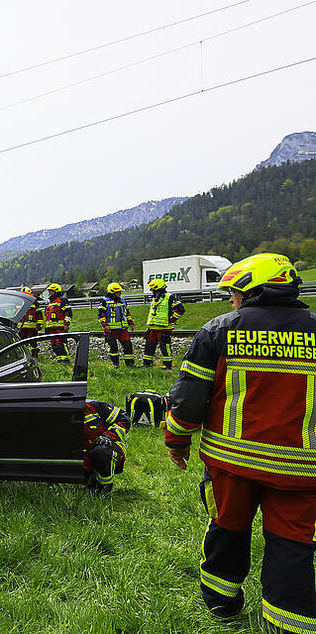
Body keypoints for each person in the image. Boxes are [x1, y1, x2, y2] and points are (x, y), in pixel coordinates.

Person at [164, 253, 316, 629]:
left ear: (250, 290)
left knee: (227, 531)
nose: (231, 300)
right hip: (299, 471)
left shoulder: (221, 330)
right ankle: (289, 622)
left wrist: (176, 441)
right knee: (292, 545)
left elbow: (190, 398)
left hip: (232, 465)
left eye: (234, 292)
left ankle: (221, 605)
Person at [83, 400, 131, 494]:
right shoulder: (53, 412)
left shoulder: (94, 406)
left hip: (110, 446)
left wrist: (108, 436)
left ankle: (104, 488)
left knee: (101, 452)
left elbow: (124, 418)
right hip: (81, 455)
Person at [143, 278, 185, 369]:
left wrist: (172, 319)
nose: (151, 291)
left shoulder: (169, 297)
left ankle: (167, 365)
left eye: (152, 289)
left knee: (164, 347)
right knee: (149, 346)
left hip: (164, 328)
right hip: (153, 328)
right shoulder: (155, 298)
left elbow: (181, 310)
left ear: (158, 288)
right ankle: (146, 364)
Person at [98, 282, 135, 368]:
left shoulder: (122, 300)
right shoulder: (105, 301)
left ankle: (130, 364)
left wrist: (131, 323)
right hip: (111, 329)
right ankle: (115, 364)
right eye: (118, 292)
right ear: (112, 292)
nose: (120, 293)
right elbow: (100, 315)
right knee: (113, 347)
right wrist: (104, 325)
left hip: (123, 329)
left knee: (128, 345)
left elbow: (127, 312)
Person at [44, 283, 73, 362]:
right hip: (51, 329)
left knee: (61, 345)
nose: (49, 293)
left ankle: (66, 361)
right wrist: (47, 328)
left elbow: (68, 313)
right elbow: (47, 316)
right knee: (54, 346)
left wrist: (66, 324)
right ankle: (60, 360)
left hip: (60, 328)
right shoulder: (50, 302)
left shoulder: (62, 300)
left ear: (56, 291)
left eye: (51, 291)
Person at [18, 286, 44, 358]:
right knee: (22, 343)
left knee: (33, 343)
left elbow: (39, 315)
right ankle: (24, 357)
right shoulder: (18, 303)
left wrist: (39, 324)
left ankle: (34, 356)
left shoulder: (35, 303)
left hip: (32, 328)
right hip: (21, 328)